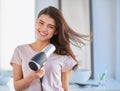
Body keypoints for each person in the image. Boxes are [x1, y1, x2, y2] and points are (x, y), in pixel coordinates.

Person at [10, 6, 89, 91]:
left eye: (50, 26)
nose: (44, 29)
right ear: (36, 22)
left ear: (56, 31)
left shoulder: (63, 55)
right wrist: (32, 77)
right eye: (41, 23)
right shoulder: (20, 51)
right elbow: (17, 87)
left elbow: (65, 88)